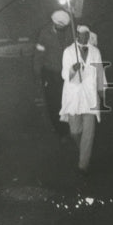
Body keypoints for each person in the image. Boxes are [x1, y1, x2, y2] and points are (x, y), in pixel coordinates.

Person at [60, 25, 106, 174]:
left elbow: (100, 72)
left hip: (90, 97)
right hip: (73, 96)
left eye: (87, 35)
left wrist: (101, 92)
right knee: (75, 131)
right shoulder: (68, 52)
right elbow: (64, 74)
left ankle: (83, 165)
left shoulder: (95, 52)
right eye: (81, 35)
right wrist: (73, 69)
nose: (84, 37)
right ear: (77, 36)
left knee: (89, 133)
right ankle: (84, 151)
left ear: (89, 36)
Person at [33, 10, 72, 141]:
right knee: (54, 103)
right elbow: (39, 55)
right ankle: (61, 131)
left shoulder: (70, 32)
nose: (61, 28)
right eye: (59, 26)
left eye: (63, 26)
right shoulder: (45, 34)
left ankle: (70, 125)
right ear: (54, 23)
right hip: (50, 73)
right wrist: (37, 73)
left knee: (67, 100)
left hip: (67, 73)